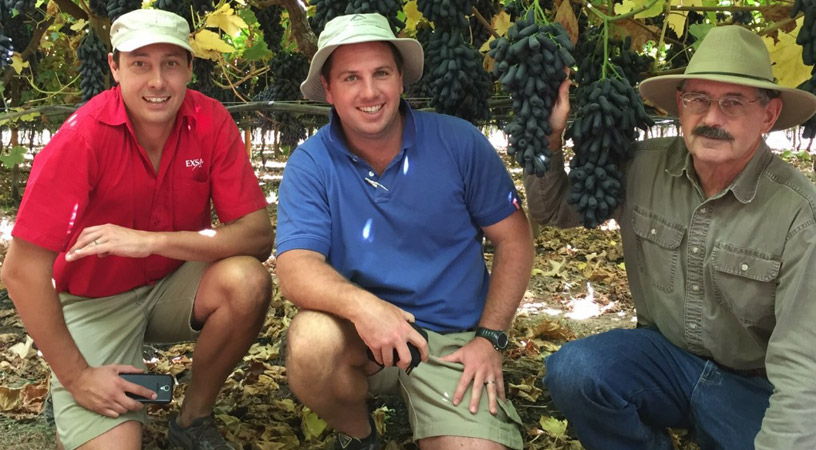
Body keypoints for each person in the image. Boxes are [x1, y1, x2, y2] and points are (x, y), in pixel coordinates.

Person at [525, 25, 816, 449]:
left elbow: (802, 365)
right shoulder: (641, 165)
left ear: (768, 116)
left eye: (733, 103)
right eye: (698, 99)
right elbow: (555, 209)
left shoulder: (800, 215)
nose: (712, 118)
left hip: (754, 389)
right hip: (665, 363)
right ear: (680, 105)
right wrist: (549, 139)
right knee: (576, 371)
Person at [0, 9, 274, 450]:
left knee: (247, 281)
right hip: (95, 301)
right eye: (140, 63)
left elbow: (258, 236)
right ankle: (70, 376)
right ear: (114, 66)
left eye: (171, 63)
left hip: (173, 282)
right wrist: (79, 376)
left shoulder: (212, 120)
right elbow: (20, 271)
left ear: (189, 67)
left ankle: (193, 418)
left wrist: (151, 243)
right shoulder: (80, 138)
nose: (157, 81)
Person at [275, 13, 533, 450]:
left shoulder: (460, 143)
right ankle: (360, 435)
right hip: (358, 335)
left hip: (451, 342)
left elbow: (515, 240)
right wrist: (365, 308)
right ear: (329, 91)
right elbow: (296, 267)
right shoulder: (311, 163)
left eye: (381, 73)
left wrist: (490, 338)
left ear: (401, 80)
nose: (370, 91)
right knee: (310, 343)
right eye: (351, 77)